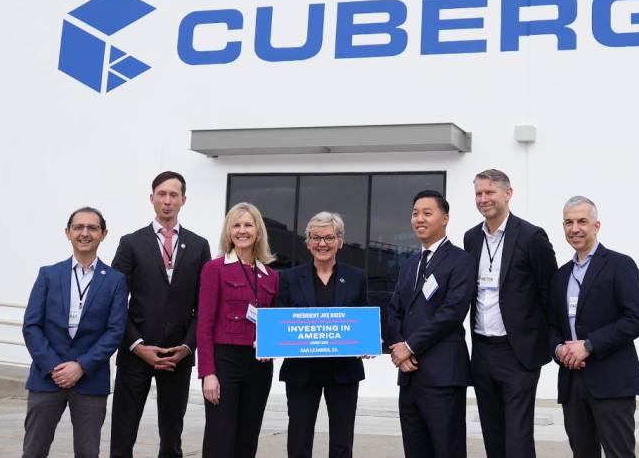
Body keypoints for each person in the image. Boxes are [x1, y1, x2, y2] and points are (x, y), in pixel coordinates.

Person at [110, 171, 213, 458]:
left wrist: (187, 347)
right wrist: (136, 346)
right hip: (135, 352)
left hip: (177, 355)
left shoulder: (198, 245)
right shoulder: (130, 243)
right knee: (123, 433)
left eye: (174, 195)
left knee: (171, 437)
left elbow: (202, 305)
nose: (167, 201)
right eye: (162, 194)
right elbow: (116, 301)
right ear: (152, 198)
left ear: (183, 200)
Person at [463, 169, 557, 458]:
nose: (483, 199)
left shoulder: (531, 236)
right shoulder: (471, 239)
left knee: (517, 437)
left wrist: (546, 341)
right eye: (479, 193)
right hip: (482, 351)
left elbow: (549, 293)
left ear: (508, 193)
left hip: (518, 353)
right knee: (492, 434)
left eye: (490, 192)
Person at [547, 196, 639, 458]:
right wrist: (559, 349)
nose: (575, 228)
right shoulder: (561, 276)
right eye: (569, 222)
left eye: (582, 221)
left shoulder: (619, 265)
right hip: (573, 381)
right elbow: (551, 326)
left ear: (596, 225)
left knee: (619, 453)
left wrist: (589, 345)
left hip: (612, 380)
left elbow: (637, 319)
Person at [21, 207, 128, 458]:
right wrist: (54, 366)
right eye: (78, 227)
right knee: (34, 451)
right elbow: (31, 325)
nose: (85, 233)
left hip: (91, 380)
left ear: (104, 234)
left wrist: (80, 366)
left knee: (88, 453)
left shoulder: (115, 280)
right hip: (47, 378)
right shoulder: (48, 274)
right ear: (67, 233)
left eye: (92, 228)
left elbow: (115, 331)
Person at [384, 190, 476, 458]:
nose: (419, 219)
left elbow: (451, 312)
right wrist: (400, 351)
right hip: (409, 376)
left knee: (447, 448)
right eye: (415, 214)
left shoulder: (461, 260)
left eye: (427, 213)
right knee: (415, 449)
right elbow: (395, 310)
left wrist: (410, 346)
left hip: (443, 376)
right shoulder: (410, 264)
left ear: (445, 218)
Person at [276, 212, 371, 458]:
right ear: (307, 242)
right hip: (301, 372)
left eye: (329, 237)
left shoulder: (356, 276)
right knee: (298, 443)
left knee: (341, 445)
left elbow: (363, 319)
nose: (322, 244)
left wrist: (369, 340)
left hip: (343, 372)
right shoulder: (289, 277)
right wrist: (269, 341)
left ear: (340, 241)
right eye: (315, 238)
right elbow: (280, 321)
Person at [197, 202, 281, 458]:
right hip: (225, 362)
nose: (242, 230)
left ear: (258, 231)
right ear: (229, 231)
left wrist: (272, 344)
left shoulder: (271, 277)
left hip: (259, 365)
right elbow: (204, 325)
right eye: (236, 225)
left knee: (248, 436)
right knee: (220, 437)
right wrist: (208, 373)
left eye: (248, 225)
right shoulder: (214, 269)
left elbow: (274, 324)